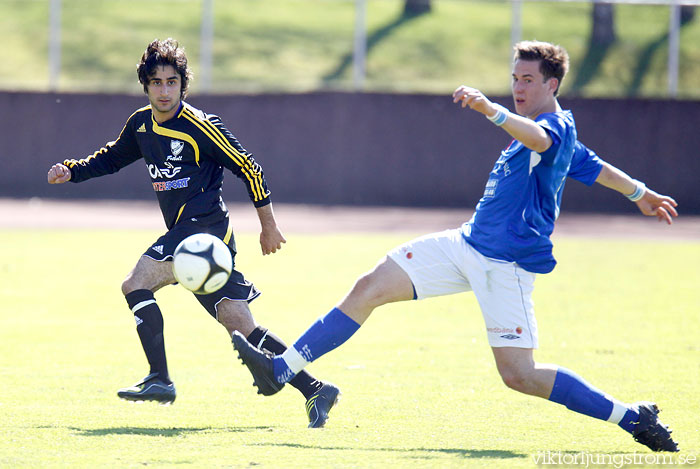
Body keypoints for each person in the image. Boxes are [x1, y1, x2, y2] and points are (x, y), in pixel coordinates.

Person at [231, 41, 680, 451]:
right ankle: (281, 369)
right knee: (369, 287)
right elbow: (594, 166)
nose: (519, 87)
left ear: (552, 84)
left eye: (528, 80)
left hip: (505, 266)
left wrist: (492, 110)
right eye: (515, 79)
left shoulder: (553, 126)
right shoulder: (557, 135)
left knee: (519, 375)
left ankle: (631, 416)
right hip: (465, 245)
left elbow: (541, 140)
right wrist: (641, 194)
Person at [46, 38, 339, 428]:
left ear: (184, 85)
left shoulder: (201, 126)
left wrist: (268, 226)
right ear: (145, 85)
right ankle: (316, 389)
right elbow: (114, 157)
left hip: (203, 233)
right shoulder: (141, 124)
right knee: (242, 327)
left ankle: (159, 378)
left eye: (171, 82)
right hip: (198, 241)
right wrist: (73, 169)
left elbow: (249, 167)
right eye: (156, 82)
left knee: (135, 283)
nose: (164, 90)